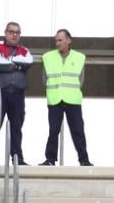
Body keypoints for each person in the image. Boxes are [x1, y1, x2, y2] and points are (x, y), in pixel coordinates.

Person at [40, 29, 92, 167]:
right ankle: (50, 159)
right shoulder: (47, 57)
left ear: (69, 40)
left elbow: (81, 80)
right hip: (55, 99)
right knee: (53, 131)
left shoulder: (79, 58)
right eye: (56, 40)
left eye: (60, 40)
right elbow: (44, 79)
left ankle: (84, 159)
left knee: (78, 131)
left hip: (73, 100)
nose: (57, 43)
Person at [0, 22, 33, 165]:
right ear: (5, 32)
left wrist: (9, 62)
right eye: (11, 32)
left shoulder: (24, 50)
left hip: (17, 94)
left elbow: (29, 61)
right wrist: (17, 65)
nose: (14, 35)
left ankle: (18, 159)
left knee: (16, 127)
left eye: (17, 32)